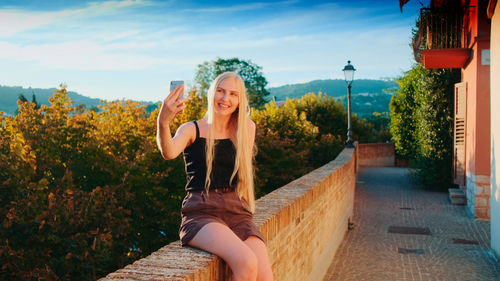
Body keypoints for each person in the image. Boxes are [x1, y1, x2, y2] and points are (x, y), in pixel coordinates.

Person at [156, 72, 273, 281]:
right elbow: (169, 152)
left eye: (233, 94)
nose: (225, 99)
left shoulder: (246, 128)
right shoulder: (192, 129)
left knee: (265, 276)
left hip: (238, 212)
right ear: (211, 93)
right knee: (246, 262)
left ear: (240, 100)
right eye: (220, 91)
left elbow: (244, 177)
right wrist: (163, 123)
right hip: (202, 212)